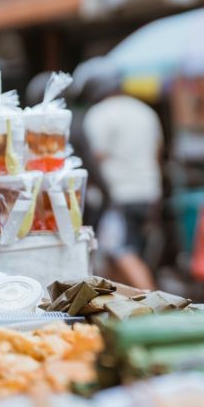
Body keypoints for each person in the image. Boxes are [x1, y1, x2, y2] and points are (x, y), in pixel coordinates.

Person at [82, 62, 164, 291]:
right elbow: (158, 152)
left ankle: (154, 307)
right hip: (148, 194)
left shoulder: (100, 114)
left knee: (121, 251)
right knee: (124, 252)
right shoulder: (145, 111)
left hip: (119, 196)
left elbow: (95, 157)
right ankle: (128, 309)